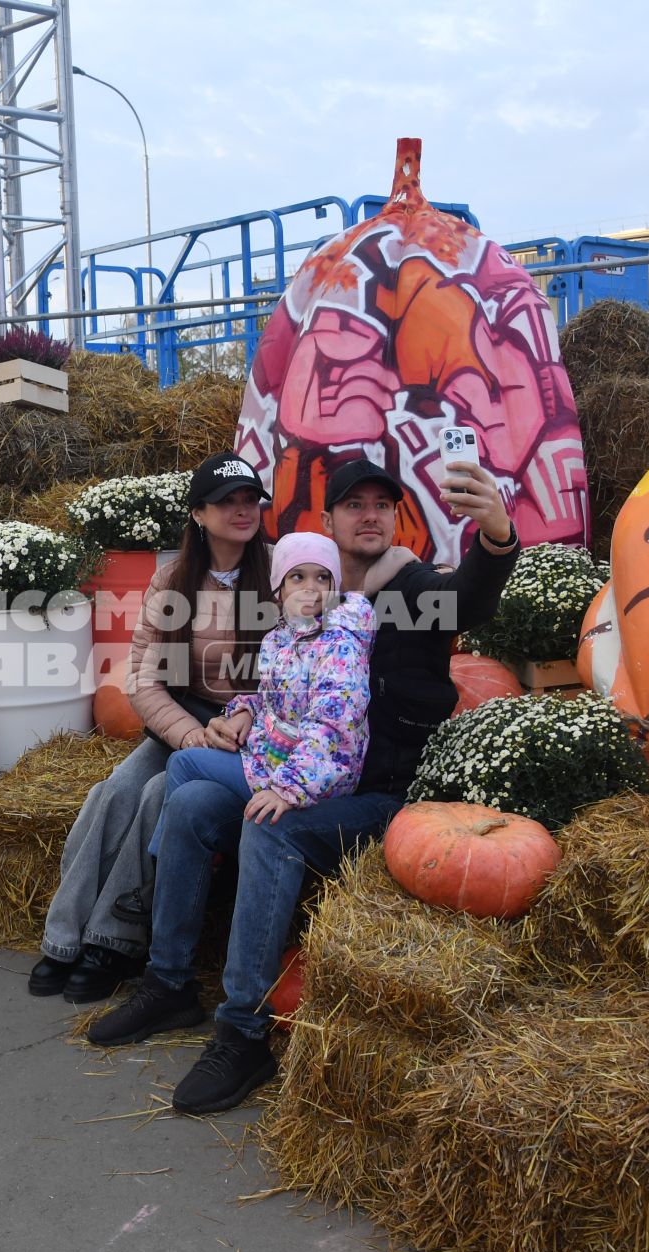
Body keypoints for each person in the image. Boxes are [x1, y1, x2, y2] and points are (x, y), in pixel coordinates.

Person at [87, 455, 520, 1116]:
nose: (370, 514)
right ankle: (168, 980)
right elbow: (277, 692)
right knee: (192, 800)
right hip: (295, 774)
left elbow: (471, 600)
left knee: (272, 830)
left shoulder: (413, 589)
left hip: (375, 794)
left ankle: (243, 1028)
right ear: (328, 521)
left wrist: (495, 537)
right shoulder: (301, 601)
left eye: (383, 504)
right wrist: (241, 714)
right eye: (355, 504)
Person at [28, 452, 276, 1003]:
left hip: (254, 729)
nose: (241, 510)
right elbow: (144, 677)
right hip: (186, 719)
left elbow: (297, 666)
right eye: (226, 501)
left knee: (160, 795)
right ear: (198, 514)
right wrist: (189, 734)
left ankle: (112, 942)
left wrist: (238, 720)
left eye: (249, 499)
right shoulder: (172, 581)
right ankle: (63, 938)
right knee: (112, 792)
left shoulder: (283, 574)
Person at [150, 531, 373, 846]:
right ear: (279, 589)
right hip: (278, 757)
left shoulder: (339, 645)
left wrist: (287, 789)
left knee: (185, 762)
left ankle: (167, 856)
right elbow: (276, 699)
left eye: (322, 577)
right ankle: (200, 851)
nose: (310, 588)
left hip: (318, 775)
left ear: (334, 588)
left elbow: (331, 729)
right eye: (297, 577)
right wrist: (245, 710)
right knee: (191, 793)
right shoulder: (279, 638)